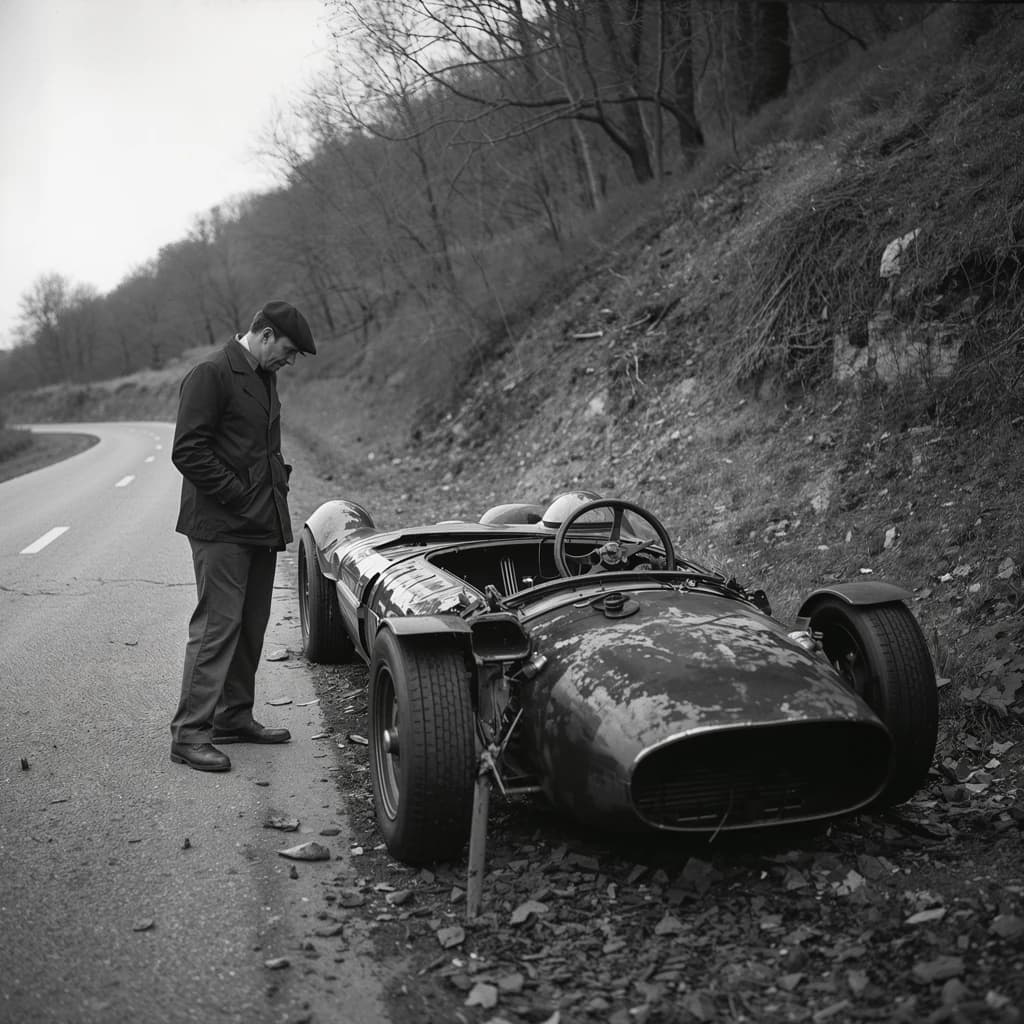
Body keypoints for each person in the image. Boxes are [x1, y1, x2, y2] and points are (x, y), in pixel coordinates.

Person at [169, 300, 316, 772]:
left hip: (258, 522)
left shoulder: (263, 376)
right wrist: (238, 493)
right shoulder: (210, 373)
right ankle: (190, 733)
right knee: (217, 626)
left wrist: (273, 488)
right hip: (221, 525)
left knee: (251, 624)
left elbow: (258, 448)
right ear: (266, 334)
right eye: (288, 351)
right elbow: (187, 451)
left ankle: (233, 716)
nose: (289, 361)